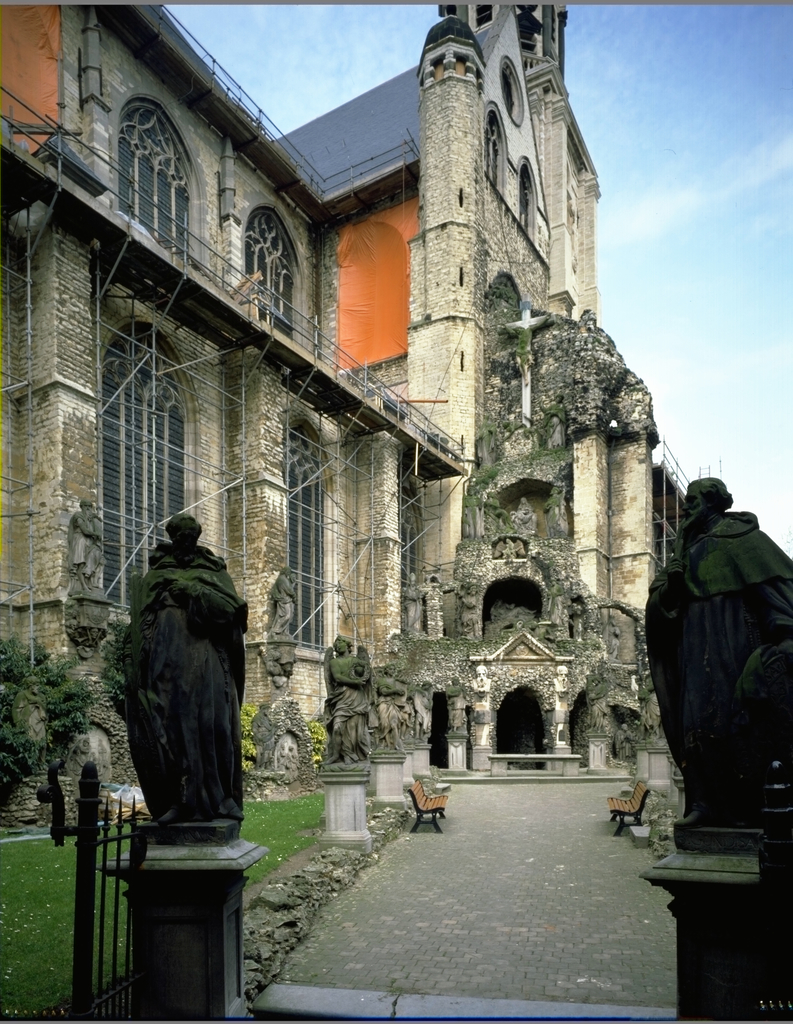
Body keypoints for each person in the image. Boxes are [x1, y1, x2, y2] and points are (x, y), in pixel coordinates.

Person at [646, 478, 793, 828]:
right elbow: (658, 610)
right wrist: (671, 589)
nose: (685, 507)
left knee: (734, 722)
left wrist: (784, 638)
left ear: (713, 501)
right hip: (693, 652)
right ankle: (704, 802)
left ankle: (747, 807)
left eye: (693, 500)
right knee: (695, 723)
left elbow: (776, 594)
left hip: (734, 646)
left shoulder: (745, 541)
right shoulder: (684, 550)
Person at [124, 514, 248, 824]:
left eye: (190, 538)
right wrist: (132, 661)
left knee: (216, 727)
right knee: (172, 732)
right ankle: (179, 801)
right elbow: (139, 623)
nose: (185, 543)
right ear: (173, 539)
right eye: (180, 538)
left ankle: (221, 799)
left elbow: (232, 613)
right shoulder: (155, 576)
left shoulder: (213, 572)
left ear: (196, 539)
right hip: (166, 668)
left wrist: (192, 591)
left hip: (208, 664)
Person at [323, 636, 372, 765]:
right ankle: (336, 755)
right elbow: (338, 678)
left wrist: (363, 672)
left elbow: (365, 672)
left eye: (340, 643)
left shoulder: (355, 660)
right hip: (341, 696)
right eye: (336, 644)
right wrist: (355, 681)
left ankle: (349, 755)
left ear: (347, 645)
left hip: (357, 697)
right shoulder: (334, 662)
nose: (337, 646)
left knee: (353, 729)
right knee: (337, 727)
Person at [68, 500, 104, 594]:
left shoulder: (89, 518)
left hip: (88, 541)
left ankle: (89, 583)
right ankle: (83, 586)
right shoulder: (78, 516)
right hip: (80, 540)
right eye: (86, 506)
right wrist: (96, 534)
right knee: (81, 564)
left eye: (90, 506)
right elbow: (84, 530)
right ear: (82, 506)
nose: (88, 508)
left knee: (91, 560)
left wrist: (96, 517)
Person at [268, 567, 295, 638]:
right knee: (286, 616)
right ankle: (276, 630)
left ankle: (283, 631)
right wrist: (294, 595)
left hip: (286, 599)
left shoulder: (284, 579)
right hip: (284, 600)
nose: (289, 573)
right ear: (285, 571)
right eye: (288, 571)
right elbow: (289, 590)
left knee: (288, 616)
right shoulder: (282, 579)